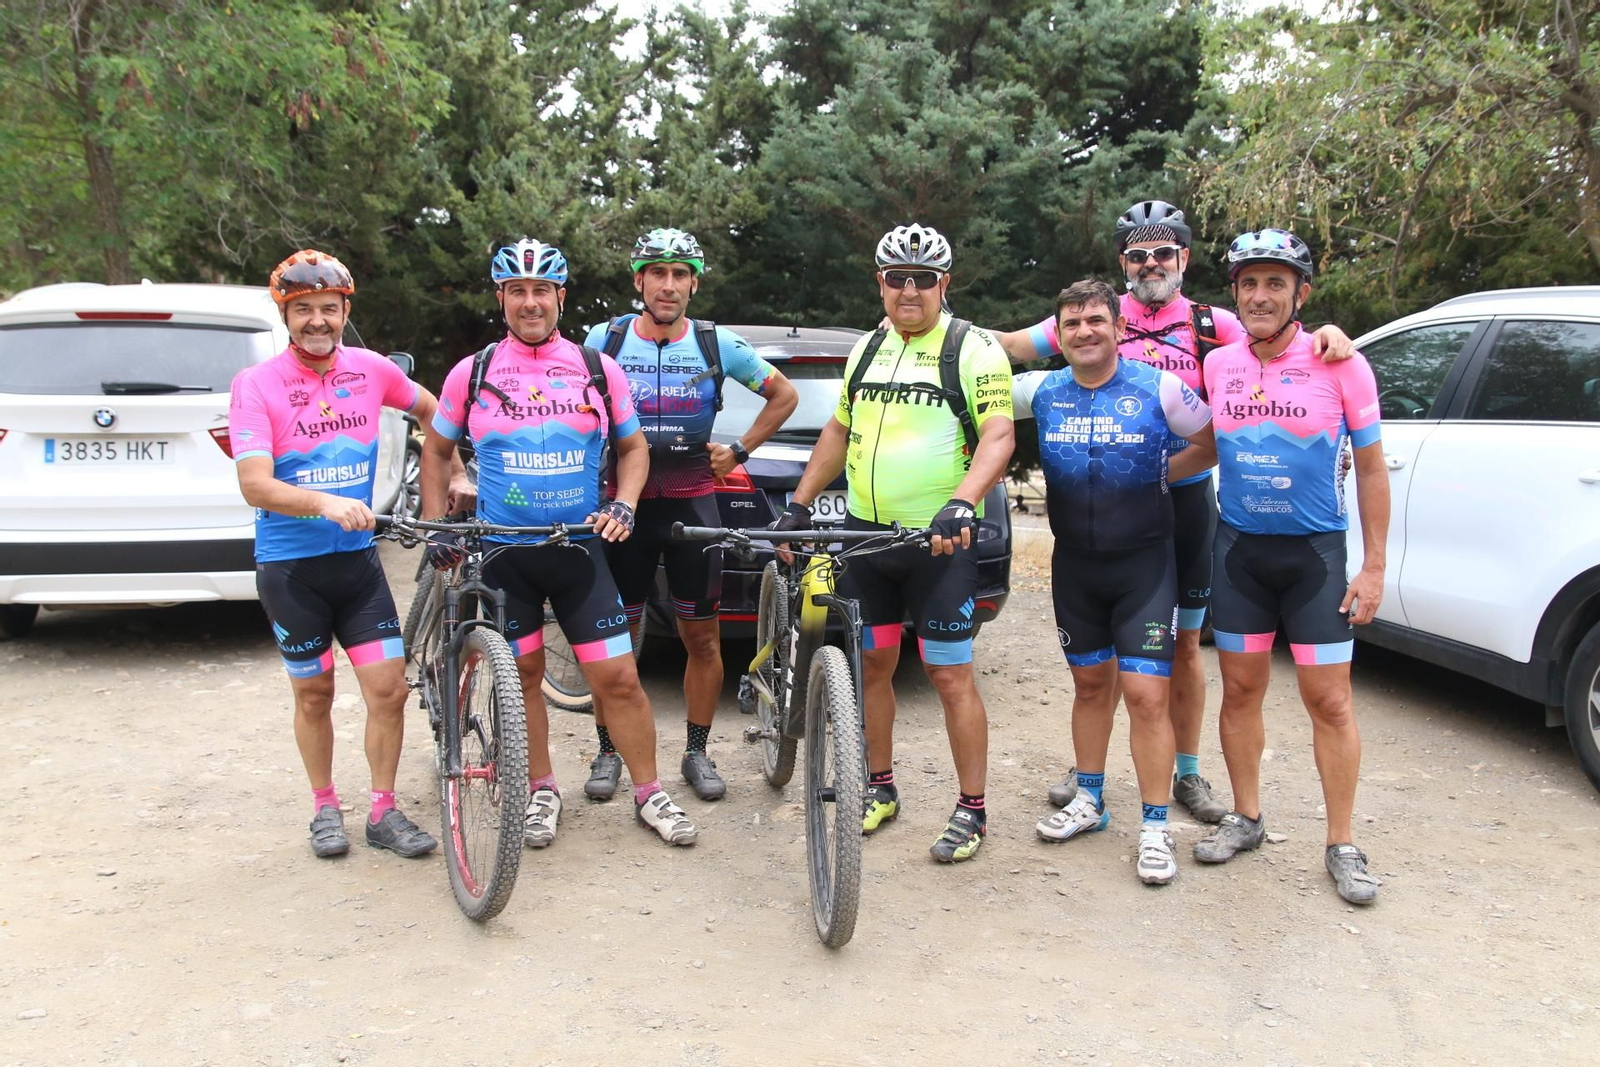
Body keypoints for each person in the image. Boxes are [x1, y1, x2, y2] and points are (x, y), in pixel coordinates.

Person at [992, 200, 1354, 822]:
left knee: (1182, 642)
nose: (1150, 263)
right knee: (1099, 651)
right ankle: (1091, 777)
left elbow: (1284, 346)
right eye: (1138, 253)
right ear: (1123, 262)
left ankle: (1186, 772)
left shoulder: (1216, 324)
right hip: (1105, 502)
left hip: (1184, 498)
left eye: (1163, 252)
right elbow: (1006, 349)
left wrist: (1332, 335)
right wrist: (938, 329)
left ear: (1184, 259)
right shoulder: (1098, 313)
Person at [419, 237, 698, 848]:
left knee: (619, 679)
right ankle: (542, 788)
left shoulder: (598, 368)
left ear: (560, 297)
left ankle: (649, 792)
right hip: (504, 553)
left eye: (540, 290)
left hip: (578, 549)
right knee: (520, 678)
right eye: (516, 291)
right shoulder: (475, 370)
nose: (529, 303)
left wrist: (624, 503)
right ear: (502, 298)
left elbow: (634, 448)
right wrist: (437, 519)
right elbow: (437, 450)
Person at [775, 223, 1015, 863]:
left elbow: (998, 436)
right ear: (879, 283)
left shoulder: (973, 349)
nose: (909, 291)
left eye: (923, 279)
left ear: (945, 284)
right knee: (873, 665)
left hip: (939, 543)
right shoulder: (868, 348)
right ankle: (879, 786)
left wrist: (962, 501)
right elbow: (837, 429)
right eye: (896, 278)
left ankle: (973, 810)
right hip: (868, 542)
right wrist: (798, 505)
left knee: (948, 672)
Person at [230, 249, 461, 860]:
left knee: (387, 691)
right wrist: (324, 503)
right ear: (286, 313)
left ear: (344, 311)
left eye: (328, 309)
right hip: (291, 569)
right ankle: (324, 807)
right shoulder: (256, 385)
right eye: (302, 309)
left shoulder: (372, 369)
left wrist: (456, 468)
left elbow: (436, 412)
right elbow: (254, 483)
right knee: (315, 694)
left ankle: (382, 811)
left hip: (357, 567)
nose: (317, 321)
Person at [1194, 228, 1388, 905]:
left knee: (1329, 701)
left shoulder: (1340, 361)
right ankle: (1246, 817)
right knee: (1241, 690)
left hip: (1315, 556)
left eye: (1276, 282)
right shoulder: (1219, 365)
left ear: (1300, 292)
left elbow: (1368, 466)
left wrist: (1373, 567)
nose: (1260, 295)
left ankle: (1342, 842)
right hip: (1241, 552)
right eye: (1249, 283)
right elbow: (1204, 445)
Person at [580, 228, 798, 802]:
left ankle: (697, 753)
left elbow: (784, 396)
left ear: (694, 283)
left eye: (680, 274)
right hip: (621, 506)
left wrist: (741, 449)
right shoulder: (605, 337)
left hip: (693, 503)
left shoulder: (714, 342)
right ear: (639, 281)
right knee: (613, 640)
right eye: (658, 273)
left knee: (701, 640)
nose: (668, 285)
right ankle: (608, 752)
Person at [1012, 279, 1217, 885]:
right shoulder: (1043, 390)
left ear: (1119, 328)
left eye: (1096, 321)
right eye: (1071, 324)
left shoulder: (1160, 387)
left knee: (1148, 695)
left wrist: (1159, 471)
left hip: (1146, 568)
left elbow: (1209, 443)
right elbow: (972, 383)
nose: (1084, 332)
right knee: (1090, 687)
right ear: (1060, 335)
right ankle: (1091, 799)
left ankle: (1155, 826)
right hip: (1076, 566)